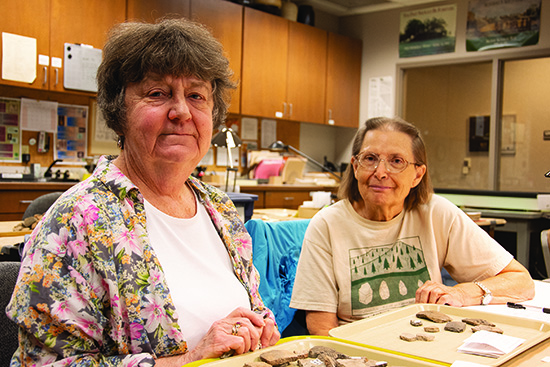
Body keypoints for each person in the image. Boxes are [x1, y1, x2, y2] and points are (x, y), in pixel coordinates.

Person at [7, 18, 279, 366]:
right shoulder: (74, 222)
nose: (181, 111)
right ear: (119, 112)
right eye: (158, 94)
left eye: (196, 96)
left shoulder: (222, 212)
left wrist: (257, 329)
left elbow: (249, 312)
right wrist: (189, 360)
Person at [289, 116, 534, 336]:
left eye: (396, 161)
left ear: (417, 175)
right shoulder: (326, 225)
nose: (381, 172)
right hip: (359, 352)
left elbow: (520, 281)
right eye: (370, 159)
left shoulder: (436, 213)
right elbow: (321, 329)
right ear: (355, 166)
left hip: (428, 344)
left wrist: (460, 293)